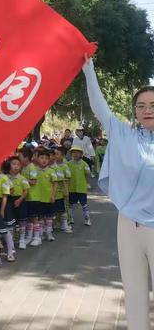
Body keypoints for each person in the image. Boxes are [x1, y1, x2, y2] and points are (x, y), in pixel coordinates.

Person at [83, 56, 154, 330]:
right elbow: (99, 107)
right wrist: (89, 70)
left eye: (153, 106)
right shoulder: (123, 135)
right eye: (141, 106)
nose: (147, 110)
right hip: (127, 225)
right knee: (134, 294)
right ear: (135, 111)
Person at [6, 155, 30, 249]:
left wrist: (20, 200)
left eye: (18, 164)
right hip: (9, 201)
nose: (16, 166)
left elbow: (26, 191)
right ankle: (11, 243)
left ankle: (22, 240)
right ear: (9, 165)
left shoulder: (22, 178)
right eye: (14, 164)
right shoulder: (6, 178)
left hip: (20, 200)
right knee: (11, 222)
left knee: (22, 221)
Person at [36, 149, 59, 242]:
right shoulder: (34, 170)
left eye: (46, 158)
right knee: (40, 217)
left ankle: (49, 233)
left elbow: (55, 184)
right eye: (42, 158)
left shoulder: (51, 171)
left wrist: (53, 195)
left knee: (49, 217)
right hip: (38, 198)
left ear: (49, 160)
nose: (44, 160)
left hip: (48, 198)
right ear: (37, 159)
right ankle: (40, 234)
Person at [67, 146, 91, 226]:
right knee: (71, 204)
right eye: (73, 152)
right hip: (71, 188)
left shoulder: (84, 164)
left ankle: (87, 219)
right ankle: (70, 218)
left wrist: (87, 183)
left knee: (84, 204)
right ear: (71, 154)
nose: (75, 154)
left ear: (81, 154)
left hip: (81, 188)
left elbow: (87, 174)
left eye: (78, 152)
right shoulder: (68, 164)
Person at [52, 147, 73, 233]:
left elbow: (67, 179)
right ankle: (57, 222)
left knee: (63, 208)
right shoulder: (52, 166)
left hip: (61, 192)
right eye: (54, 154)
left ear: (63, 156)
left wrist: (66, 190)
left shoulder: (65, 166)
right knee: (55, 209)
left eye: (57, 154)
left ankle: (65, 224)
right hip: (53, 192)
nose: (55, 156)